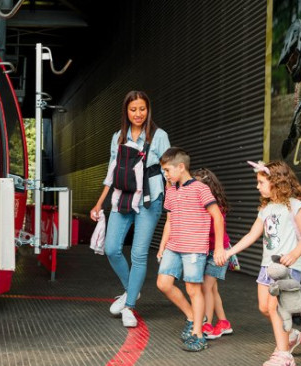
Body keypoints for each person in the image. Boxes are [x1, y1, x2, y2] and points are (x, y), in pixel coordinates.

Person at [89, 90, 170, 328]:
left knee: (138, 254)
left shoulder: (159, 135)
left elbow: (170, 170)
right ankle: (130, 290)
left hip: (150, 197)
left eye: (142, 109)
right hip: (122, 196)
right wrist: (99, 202)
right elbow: (112, 172)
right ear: (126, 111)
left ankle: (130, 306)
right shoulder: (118, 137)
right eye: (133, 109)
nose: (138, 114)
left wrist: (174, 201)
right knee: (112, 248)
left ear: (148, 109)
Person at [225, 161, 301, 366]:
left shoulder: (295, 206)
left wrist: (293, 254)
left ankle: (284, 356)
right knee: (265, 308)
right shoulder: (266, 209)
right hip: (267, 266)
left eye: (261, 182)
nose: (258, 186)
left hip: (287, 268)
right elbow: (252, 235)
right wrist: (230, 251)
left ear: (276, 182)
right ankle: (291, 336)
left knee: (276, 308)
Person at [155, 148, 225, 352]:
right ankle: (193, 316)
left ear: (181, 167)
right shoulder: (170, 189)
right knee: (163, 283)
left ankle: (198, 334)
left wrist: (219, 247)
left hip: (194, 248)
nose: (165, 175)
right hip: (173, 246)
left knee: (193, 289)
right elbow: (169, 220)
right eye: (164, 171)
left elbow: (217, 217)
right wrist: (162, 246)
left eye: (167, 170)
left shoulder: (200, 189)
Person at [192, 168, 234, 340]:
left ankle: (207, 324)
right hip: (205, 250)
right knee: (212, 289)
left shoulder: (215, 206)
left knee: (206, 288)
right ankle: (223, 322)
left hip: (218, 251)